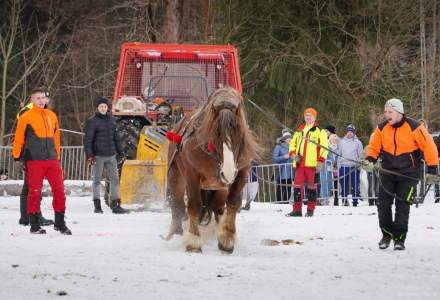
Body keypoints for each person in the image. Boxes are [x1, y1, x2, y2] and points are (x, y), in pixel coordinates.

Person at [363, 98, 438, 250]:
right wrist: (370, 159)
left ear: (399, 112)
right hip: (388, 171)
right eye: (385, 112)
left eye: (390, 112)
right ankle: (386, 234)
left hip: (408, 174)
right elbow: (374, 147)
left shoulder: (415, 127)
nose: (387, 115)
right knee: (383, 205)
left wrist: (432, 169)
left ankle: (399, 239)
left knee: (402, 206)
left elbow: (429, 146)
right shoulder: (381, 128)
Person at [12, 88, 71, 234]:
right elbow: (19, 138)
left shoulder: (52, 115)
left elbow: (56, 137)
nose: (40, 100)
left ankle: (60, 222)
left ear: (47, 100)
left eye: (43, 98)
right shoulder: (26, 116)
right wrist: (17, 156)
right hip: (34, 160)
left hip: (52, 160)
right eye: (37, 98)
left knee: (59, 190)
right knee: (35, 192)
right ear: (32, 101)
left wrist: (57, 155)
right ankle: (35, 224)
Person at [84, 97, 128, 214]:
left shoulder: (111, 120)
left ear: (107, 108)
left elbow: (116, 138)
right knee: (97, 180)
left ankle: (116, 205)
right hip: (98, 156)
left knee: (115, 179)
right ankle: (97, 205)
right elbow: (88, 140)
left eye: (105, 106)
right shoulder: (92, 121)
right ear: (97, 108)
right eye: (101, 106)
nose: (103, 108)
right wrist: (89, 155)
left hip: (111, 155)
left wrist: (121, 152)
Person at [16, 100, 54, 226]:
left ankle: (26, 217)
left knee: (29, 186)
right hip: (32, 155)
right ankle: (34, 216)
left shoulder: (36, 112)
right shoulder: (29, 113)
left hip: (33, 155)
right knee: (33, 187)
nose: (44, 101)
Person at [286, 108, 328, 217]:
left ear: (314, 117)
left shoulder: (320, 131)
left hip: (312, 165)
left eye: (310, 115)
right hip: (300, 164)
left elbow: (324, 147)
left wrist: (321, 161)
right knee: (297, 187)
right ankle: (297, 210)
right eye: (306, 115)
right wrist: (293, 155)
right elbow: (292, 144)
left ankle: (310, 209)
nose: (308, 117)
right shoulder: (299, 130)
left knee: (312, 188)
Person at [337, 124, 363, 206]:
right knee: (344, 185)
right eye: (348, 131)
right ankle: (344, 201)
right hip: (343, 167)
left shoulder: (358, 143)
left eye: (351, 132)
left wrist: (359, 166)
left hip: (354, 167)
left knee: (355, 185)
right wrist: (339, 166)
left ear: (354, 133)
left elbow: (360, 155)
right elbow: (338, 154)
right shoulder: (341, 142)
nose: (349, 133)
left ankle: (355, 202)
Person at [272, 131, 294, 202]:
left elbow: (297, 158)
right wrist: (283, 157)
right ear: (284, 139)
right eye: (288, 138)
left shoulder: (293, 147)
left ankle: (286, 203)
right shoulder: (278, 147)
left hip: (291, 172)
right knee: (280, 189)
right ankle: (278, 203)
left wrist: (297, 158)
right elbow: (274, 158)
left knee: (288, 189)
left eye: (290, 138)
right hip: (281, 172)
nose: (290, 139)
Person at [319, 125, 338, 205]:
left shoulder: (332, 138)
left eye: (326, 131)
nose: (325, 133)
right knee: (325, 182)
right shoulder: (325, 140)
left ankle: (325, 199)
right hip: (325, 164)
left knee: (327, 182)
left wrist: (333, 162)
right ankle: (324, 198)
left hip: (328, 165)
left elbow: (334, 152)